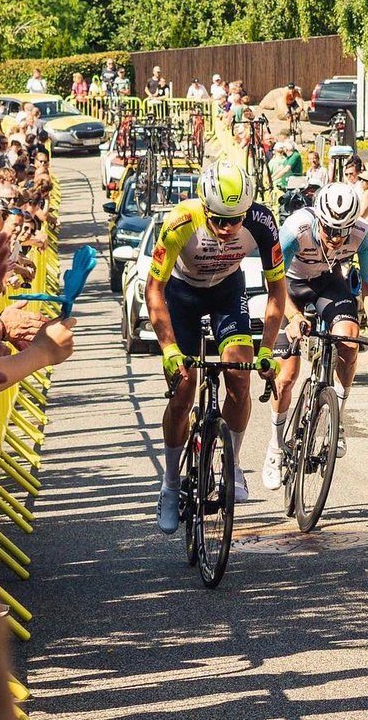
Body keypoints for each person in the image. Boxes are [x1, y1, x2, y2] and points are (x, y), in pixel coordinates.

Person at [144, 161, 286, 532]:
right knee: (183, 390)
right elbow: (154, 290)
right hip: (182, 295)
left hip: (227, 293)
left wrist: (267, 350)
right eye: (218, 220)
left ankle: (233, 464)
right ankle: (170, 485)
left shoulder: (262, 222)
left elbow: (277, 290)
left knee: (239, 377)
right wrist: (169, 350)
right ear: (205, 209)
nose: (226, 229)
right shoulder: (181, 221)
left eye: (234, 220)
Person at [262, 183, 368, 487]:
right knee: (286, 376)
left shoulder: (363, 233)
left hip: (328, 284)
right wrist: (294, 317)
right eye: (330, 229)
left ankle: (336, 420)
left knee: (349, 339)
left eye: (342, 232)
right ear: (319, 219)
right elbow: (273, 282)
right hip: (288, 286)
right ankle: (275, 448)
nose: (335, 238)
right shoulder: (296, 229)